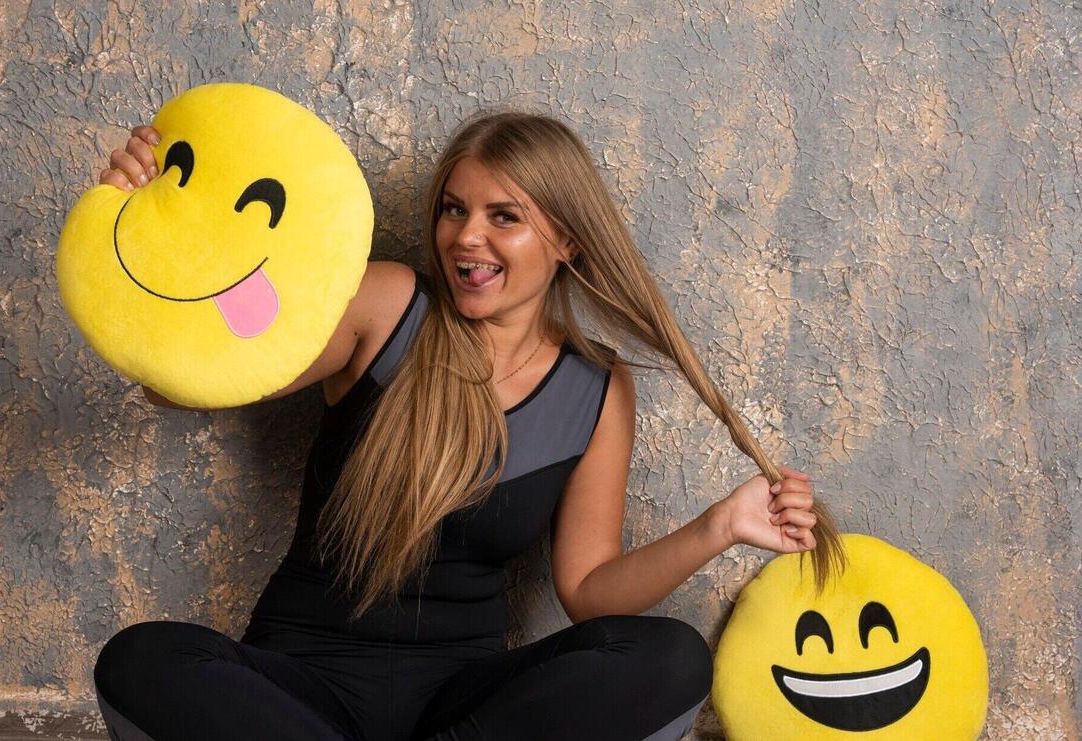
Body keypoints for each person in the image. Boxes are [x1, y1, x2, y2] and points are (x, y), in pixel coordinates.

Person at [91, 109, 839, 741]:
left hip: (465, 707)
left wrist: (719, 525)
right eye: (454, 209)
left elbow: (589, 591)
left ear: (567, 240)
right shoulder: (387, 306)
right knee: (142, 660)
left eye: (502, 216)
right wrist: (147, 225)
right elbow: (195, 388)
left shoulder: (596, 388)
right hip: (298, 690)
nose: (465, 237)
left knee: (670, 657)